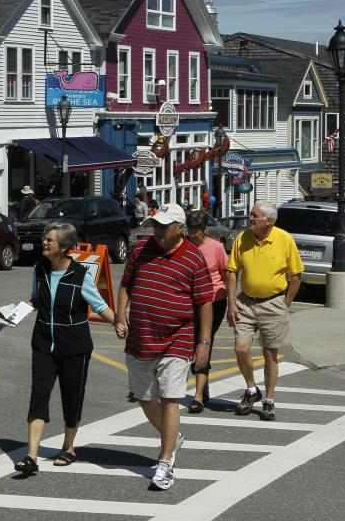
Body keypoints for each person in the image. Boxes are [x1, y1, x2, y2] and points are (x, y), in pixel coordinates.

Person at [114, 203, 213, 491]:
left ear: (179, 228)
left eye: (163, 226)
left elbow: (205, 302)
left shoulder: (193, 258)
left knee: (171, 399)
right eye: (155, 224)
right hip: (140, 340)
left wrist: (204, 343)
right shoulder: (140, 250)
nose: (156, 230)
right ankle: (172, 435)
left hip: (177, 340)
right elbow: (126, 284)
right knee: (145, 398)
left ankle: (166, 461)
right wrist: (121, 313)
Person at [15, 222, 115, 475]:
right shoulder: (39, 269)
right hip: (43, 344)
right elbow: (36, 298)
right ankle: (31, 456)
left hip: (74, 347)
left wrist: (122, 324)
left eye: (50, 240)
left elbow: (100, 307)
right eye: (45, 239)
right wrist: (13, 315)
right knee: (38, 394)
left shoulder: (81, 275)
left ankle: (68, 447)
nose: (44, 243)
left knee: (72, 396)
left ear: (64, 247)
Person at [225, 201, 304, 422]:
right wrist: (231, 302)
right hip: (245, 303)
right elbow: (232, 271)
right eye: (250, 215)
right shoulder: (243, 238)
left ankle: (268, 400)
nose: (250, 218)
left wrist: (285, 302)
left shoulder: (284, 239)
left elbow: (296, 275)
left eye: (254, 215)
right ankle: (251, 389)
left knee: (270, 354)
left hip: (274, 303)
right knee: (241, 348)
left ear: (268, 221)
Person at [185, 210, 229, 414]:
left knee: (204, 341)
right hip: (190, 301)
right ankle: (203, 386)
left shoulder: (217, 248)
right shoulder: (184, 247)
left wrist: (232, 303)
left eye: (197, 232)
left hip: (214, 302)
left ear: (204, 230)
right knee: (193, 342)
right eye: (190, 231)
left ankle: (198, 396)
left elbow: (226, 275)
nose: (193, 236)